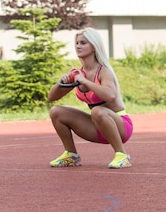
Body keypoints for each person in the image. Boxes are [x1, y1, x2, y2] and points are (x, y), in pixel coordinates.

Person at [47, 27, 133, 169]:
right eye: (77, 43)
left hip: (120, 127)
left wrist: (86, 82)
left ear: (94, 46)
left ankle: (122, 155)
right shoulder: (77, 73)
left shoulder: (104, 71)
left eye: (83, 43)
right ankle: (71, 155)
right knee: (56, 111)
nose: (78, 46)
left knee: (98, 110)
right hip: (97, 126)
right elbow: (52, 97)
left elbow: (110, 96)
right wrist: (61, 83)